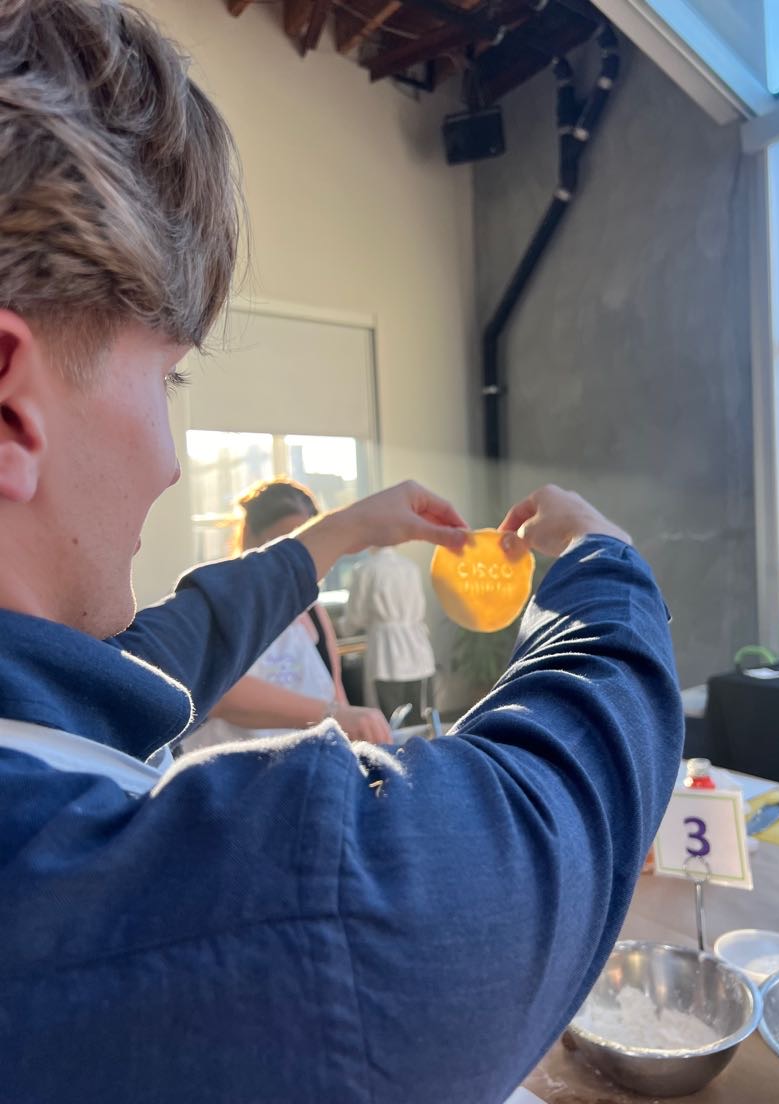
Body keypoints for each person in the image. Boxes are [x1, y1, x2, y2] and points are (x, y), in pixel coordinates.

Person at [0, 3, 683, 1101]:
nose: (174, 463)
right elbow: (508, 859)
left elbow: (161, 657)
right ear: (11, 403)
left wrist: (345, 533)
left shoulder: (32, 697)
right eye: (167, 378)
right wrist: (605, 574)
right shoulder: (133, 907)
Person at [184, 477, 391, 749]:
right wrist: (332, 715)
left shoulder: (313, 613)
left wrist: (356, 730)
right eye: (285, 546)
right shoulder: (223, 604)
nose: (298, 561)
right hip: (233, 778)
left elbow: (336, 695)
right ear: (250, 538)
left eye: (309, 548)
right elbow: (222, 696)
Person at [343, 546, 436, 722]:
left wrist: (340, 629)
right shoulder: (411, 566)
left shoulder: (365, 569)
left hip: (386, 655)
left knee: (391, 721)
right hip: (419, 651)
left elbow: (355, 617)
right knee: (422, 720)